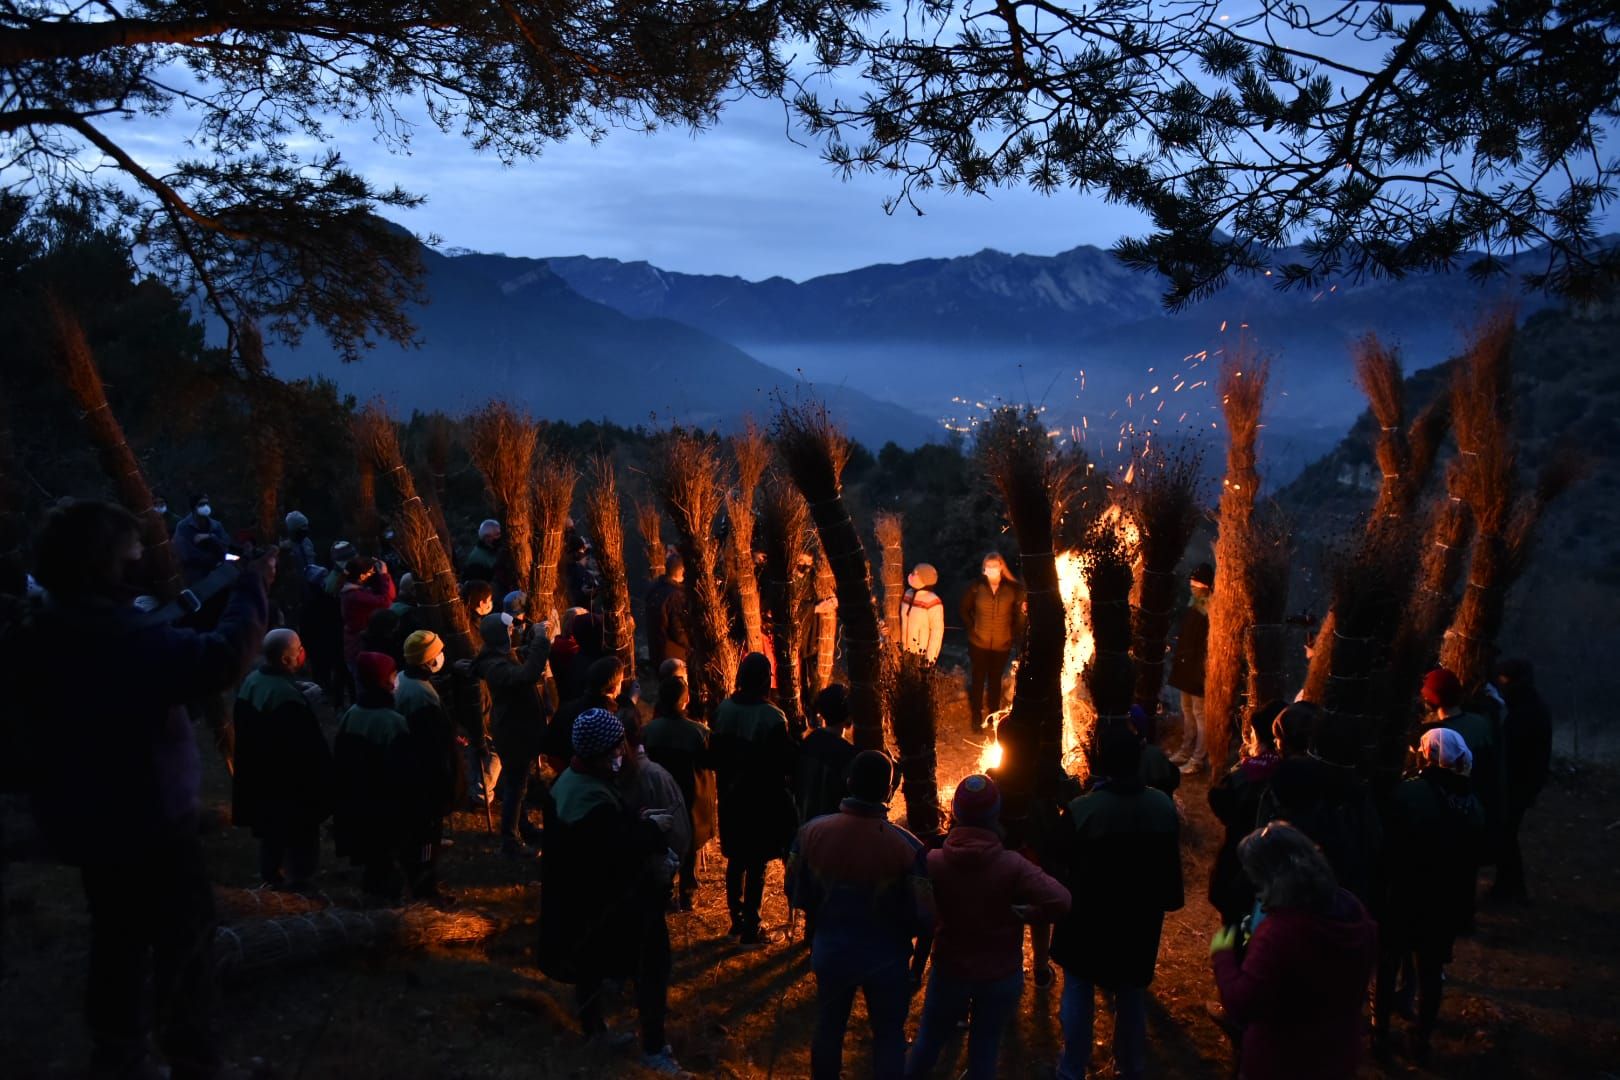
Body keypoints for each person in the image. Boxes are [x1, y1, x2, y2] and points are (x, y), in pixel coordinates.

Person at [21, 499, 270, 1079]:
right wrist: (251, 590)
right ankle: (193, 1059)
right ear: (105, 565)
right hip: (149, 820)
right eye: (132, 556)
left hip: (82, 812)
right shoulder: (117, 642)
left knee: (116, 935)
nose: (142, 564)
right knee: (185, 942)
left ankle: (119, 1054)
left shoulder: (51, 621)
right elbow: (220, 659)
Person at [906, 774, 1070, 1080]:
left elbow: (915, 911)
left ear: (955, 812)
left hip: (949, 970)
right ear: (996, 814)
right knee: (985, 1051)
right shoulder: (1012, 865)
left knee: (928, 1043)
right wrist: (1026, 914)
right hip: (1000, 975)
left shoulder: (934, 862)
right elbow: (1061, 900)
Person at [538, 708, 677, 1069]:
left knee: (590, 966)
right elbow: (612, 849)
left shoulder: (567, 782)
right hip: (608, 903)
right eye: (617, 749)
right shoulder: (588, 798)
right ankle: (655, 1049)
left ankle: (595, 1030)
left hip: (577, 900)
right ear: (602, 754)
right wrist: (651, 831)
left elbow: (606, 835)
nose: (622, 755)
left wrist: (637, 820)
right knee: (651, 966)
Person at [786, 750, 933, 1080]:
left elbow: (794, 889)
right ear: (890, 791)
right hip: (886, 959)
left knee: (828, 1028)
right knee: (888, 1037)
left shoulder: (810, 833)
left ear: (849, 782)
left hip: (831, 951)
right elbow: (925, 915)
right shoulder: (907, 848)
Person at [1051, 722, 1184, 1080]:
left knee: (1079, 988)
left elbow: (1060, 861)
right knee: (1131, 994)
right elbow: (1170, 870)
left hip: (1087, 922)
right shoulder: (1161, 807)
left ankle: (1071, 1068)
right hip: (1138, 922)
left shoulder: (1083, 810)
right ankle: (1130, 1067)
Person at [1210, 822, 1378, 1080]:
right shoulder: (1351, 911)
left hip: (1282, 1060)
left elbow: (1242, 1003)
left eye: (1257, 881)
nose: (1256, 892)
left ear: (1274, 879)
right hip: (1338, 1053)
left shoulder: (1281, 933)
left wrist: (1223, 955)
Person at [1374, 727, 1485, 1063]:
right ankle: (1421, 1035)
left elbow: (1389, 839)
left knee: (1389, 960)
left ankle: (1379, 1033)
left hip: (1407, 893)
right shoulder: (1471, 801)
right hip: (1446, 898)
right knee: (1431, 968)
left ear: (1427, 754)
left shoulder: (1411, 794)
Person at [618, 711, 692, 1076]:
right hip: (645, 881)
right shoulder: (652, 777)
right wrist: (669, 866)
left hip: (629, 880)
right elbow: (677, 830)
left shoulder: (616, 775)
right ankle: (652, 1041)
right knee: (653, 961)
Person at [232, 628, 334, 892]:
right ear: (287, 659)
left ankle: (270, 875)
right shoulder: (286, 699)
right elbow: (303, 746)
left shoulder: (253, 680)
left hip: (259, 776)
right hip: (288, 783)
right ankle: (299, 884)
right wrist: (305, 703)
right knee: (301, 833)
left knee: (271, 830)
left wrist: (294, 687)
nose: (303, 652)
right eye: (299, 649)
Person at [711, 652, 799, 944]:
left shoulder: (724, 709)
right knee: (757, 862)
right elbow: (785, 763)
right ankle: (753, 925)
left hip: (730, 797)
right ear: (765, 680)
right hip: (761, 801)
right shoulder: (772, 717)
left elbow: (715, 756)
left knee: (736, 859)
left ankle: (736, 919)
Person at [1257, 702, 1383, 907]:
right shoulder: (1352, 781)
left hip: (1300, 902)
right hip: (1348, 900)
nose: (1275, 744)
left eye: (1278, 738)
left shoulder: (1285, 784)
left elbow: (1263, 846)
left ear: (1287, 741)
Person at [332, 652, 423, 901]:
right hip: (385, 807)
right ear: (385, 681)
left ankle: (373, 893)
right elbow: (403, 771)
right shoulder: (392, 722)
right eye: (394, 675)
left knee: (374, 859)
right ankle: (385, 908)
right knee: (385, 861)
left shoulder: (352, 714)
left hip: (358, 803)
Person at [472, 611, 553, 858]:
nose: (512, 634)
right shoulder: (497, 666)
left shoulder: (500, 656)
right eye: (508, 631)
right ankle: (510, 839)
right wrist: (541, 640)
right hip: (512, 732)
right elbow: (527, 674)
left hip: (518, 729)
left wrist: (530, 640)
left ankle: (522, 824)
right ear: (498, 637)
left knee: (519, 782)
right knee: (515, 785)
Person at [394, 630, 462, 902]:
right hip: (424, 778)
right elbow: (433, 743)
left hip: (410, 771)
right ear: (428, 660)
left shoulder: (403, 679)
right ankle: (425, 888)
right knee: (425, 836)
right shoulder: (421, 696)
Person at [1207, 700, 1286, 924]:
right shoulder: (1295, 772)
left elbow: (1219, 799)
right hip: (1281, 871)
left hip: (1241, 860)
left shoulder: (1246, 773)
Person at [643, 675, 714, 911]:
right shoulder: (698, 732)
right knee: (689, 841)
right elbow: (709, 762)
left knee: (662, 840)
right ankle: (688, 892)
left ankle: (664, 890)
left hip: (658, 794)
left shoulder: (649, 731)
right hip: (690, 795)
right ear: (685, 702)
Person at [1420, 667, 1505, 859]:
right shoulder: (1482, 724)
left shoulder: (1437, 735)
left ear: (1431, 700)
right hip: (1479, 813)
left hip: (1450, 820)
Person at [1492, 658, 1553, 901]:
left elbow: (1516, 750)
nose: (1500, 683)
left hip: (1520, 782)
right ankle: (1508, 886)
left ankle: (1512, 889)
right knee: (1507, 834)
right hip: (1524, 780)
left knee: (1506, 834)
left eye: (1504, 679)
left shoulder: (1527, 711)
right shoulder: (1528, 705)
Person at [960, 552, 1026, 733]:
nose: (991, 570)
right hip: (978, 643)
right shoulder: (976, 587)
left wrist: (1013, 632)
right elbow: (964, 609)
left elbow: (1019, 613)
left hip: (1001, 643)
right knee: (978, 680)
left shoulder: (1012, 589)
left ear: (1001, 567)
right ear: (984, 568)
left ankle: (993, 717)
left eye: (994, 566)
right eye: (988, 567)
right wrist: (972, 628)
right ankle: (976, 718)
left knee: (995, 681)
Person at [1167, 561, 1213, 772]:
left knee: (1199, 714)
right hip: (1186, 669)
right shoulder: (1195, 604)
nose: (1192, 587)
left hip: (1198, 671)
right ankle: (1186, 750)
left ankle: (1197, 758)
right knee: (1187, 710)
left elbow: (1204, 644)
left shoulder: (1209, 608)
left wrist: (1201, 670)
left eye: (1196, 584)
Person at [794, 684, 860, 823]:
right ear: (849, 716)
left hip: (805, 826)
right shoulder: (848, 754)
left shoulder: (808, 742)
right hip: (832, 830)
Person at [339, 554, 395, 675]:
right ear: (362, 576)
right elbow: (386, 601)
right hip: (358, 648)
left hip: (356, 647)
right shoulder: (355, 596)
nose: (372, 574)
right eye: (370, 572)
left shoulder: (351, 591)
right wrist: (384, 575)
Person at [645, 552, 691, 667]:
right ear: (682, 571)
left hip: (657, 653)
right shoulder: (675, 596)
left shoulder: (654, 588)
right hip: (673, 657)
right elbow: (678, 632)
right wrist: (693, 645)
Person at [173, 492, 231, 583]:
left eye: (207, 503)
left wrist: (211, 537)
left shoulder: (216, 525)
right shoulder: (183, 527)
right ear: (194, 507)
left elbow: (225, 545)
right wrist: (212, 559)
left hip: (218, 573)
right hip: (195, 576)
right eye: (201, 504)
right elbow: (185, 553)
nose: (205, 506)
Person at [899, 562, 945, 663]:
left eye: (915, 574)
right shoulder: (908, 594)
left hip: (919, 653)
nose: (911, 576)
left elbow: (937, 632)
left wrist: (929, 659)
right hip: (903, 649)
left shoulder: (933, 601)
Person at [462, 519, 516, 595]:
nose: (497, 538)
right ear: (485, 538)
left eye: (498, 534)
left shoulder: (496, 549)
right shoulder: (478, 558)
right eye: (490, 536)